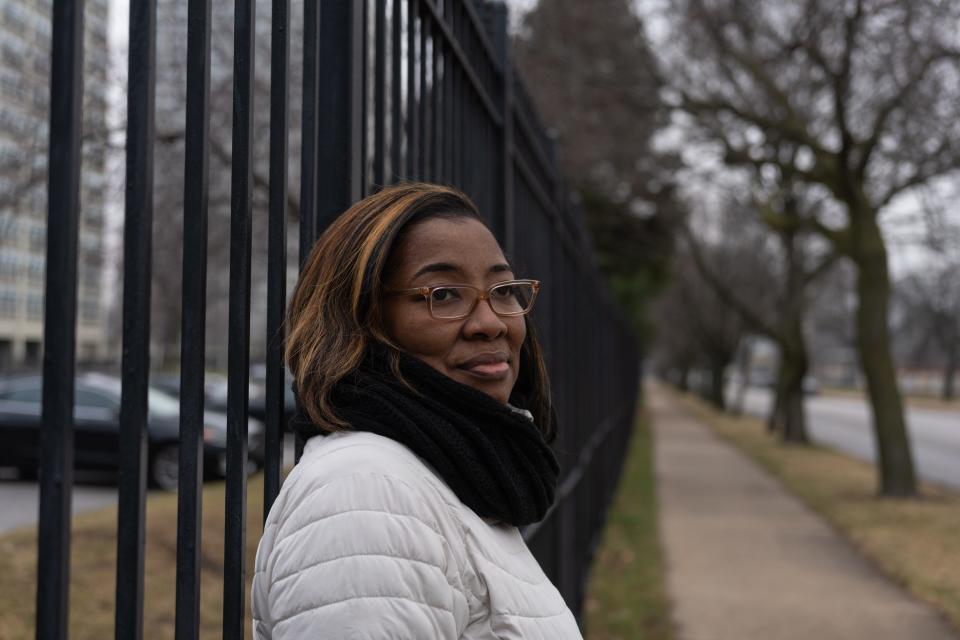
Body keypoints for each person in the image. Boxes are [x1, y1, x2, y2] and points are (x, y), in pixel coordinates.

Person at [252, 183, 583, 639]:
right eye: (444, 294)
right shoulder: (364, 495)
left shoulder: (451, 474)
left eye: (503, 289)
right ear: (361, 320)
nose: (491, 323)